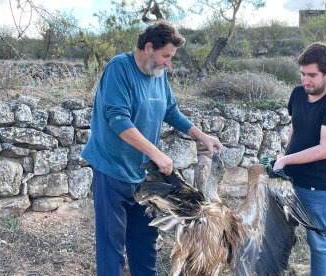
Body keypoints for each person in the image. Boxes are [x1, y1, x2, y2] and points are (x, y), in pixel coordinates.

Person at [81, 20, 223, 276]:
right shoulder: (119, 69)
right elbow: (118, 120)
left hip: (144, 175)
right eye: (165, 55)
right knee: (111, 245)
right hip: (111, 170)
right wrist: (156, 153)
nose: (169, 62)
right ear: (148, 47)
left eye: (171, 57)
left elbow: (171, 111)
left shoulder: (159, 74)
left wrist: (203, 137)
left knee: (145, 242)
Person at [273, 41, 326, 276]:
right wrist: (286, 158)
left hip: (319, 188)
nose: (305, 80)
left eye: (312, 75)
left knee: (318, 244)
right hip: (290, 182)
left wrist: (285, 160)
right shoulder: (298, 93)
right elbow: (295, 128)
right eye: (302, 74)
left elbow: (325, 149)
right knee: (280, 236)